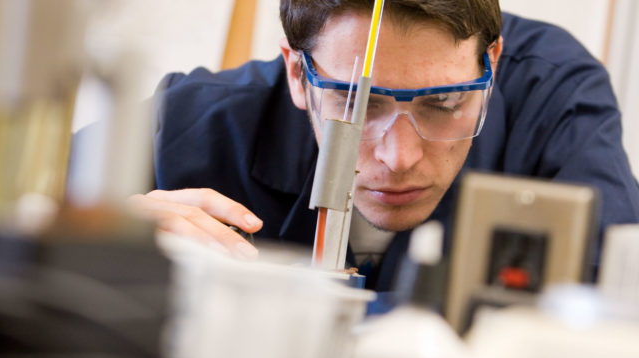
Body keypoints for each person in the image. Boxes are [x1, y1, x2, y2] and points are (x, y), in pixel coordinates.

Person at [131, 0, 639, 297]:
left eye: (444, 101)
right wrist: (107, 235)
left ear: (493, 62)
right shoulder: (188, 124)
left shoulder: (553, 97)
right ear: (296, 74)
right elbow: (52, 207)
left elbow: (618, 302)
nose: (399, 158)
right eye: (357, 107)